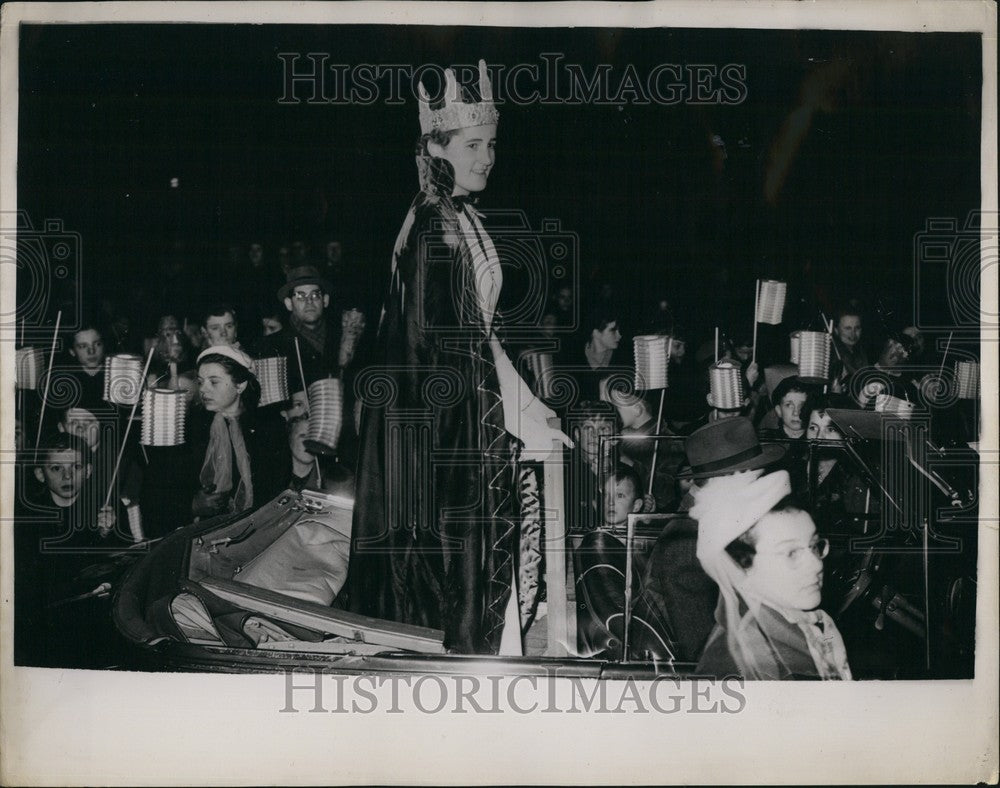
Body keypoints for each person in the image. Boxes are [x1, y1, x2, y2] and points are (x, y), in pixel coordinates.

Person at [348, 60, 570, 655]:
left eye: (492, 144)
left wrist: (531, 409)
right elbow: (446, 349)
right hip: (432, 426)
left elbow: (484, 337)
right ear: (434, 148)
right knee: (439, 566)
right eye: (473, 145)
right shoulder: (432, 226)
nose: (487, 157)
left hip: (460, 409)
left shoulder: (462, 216)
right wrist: (513, 417)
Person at [693, 468, 853, 680]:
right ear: (742, 567)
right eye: (791, 552)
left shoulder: (795, 626)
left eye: (814, 545)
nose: (816, 565)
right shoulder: (735, 665)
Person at [189, 346, 289, 518]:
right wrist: (192, 504)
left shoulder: (269, 427)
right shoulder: (192, 426)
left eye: (214, 382)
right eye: (200, 381)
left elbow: (276, 488)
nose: (203, 389)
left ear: (240, 385)